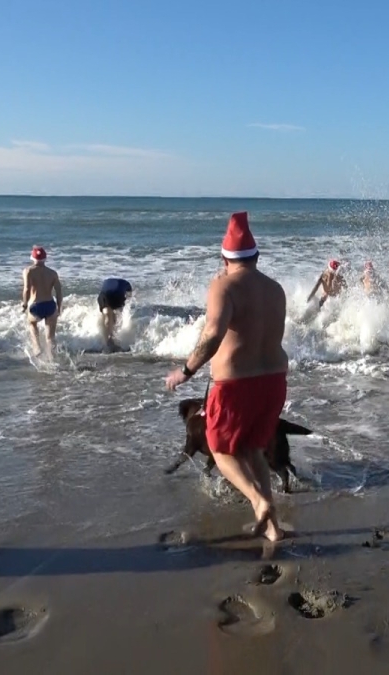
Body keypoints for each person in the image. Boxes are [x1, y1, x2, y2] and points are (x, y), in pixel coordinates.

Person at [165, 212, 289, 542]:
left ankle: (259, 502)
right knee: (253, 449)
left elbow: (213, 334)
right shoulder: (276, 289)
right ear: (256, 256)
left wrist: (186, 371)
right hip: (275, 381)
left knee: (220, 450)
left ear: (224, 257)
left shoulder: (222, 286)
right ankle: (274, 530)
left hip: (236, 385)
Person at [21, 246, 63, 356]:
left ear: (32, 258)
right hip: (50, 305)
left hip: (36, 305)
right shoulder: (53, 273)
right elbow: (59, 292)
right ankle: (52, 359)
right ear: (45, 258)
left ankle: (37, 347)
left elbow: (26, 289)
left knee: (32, 324)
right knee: (50, 338)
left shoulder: (28, 271)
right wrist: (59, 308)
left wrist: (25, 304)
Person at [98, 277, 133, 352]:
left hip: (105, 293)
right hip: (114, 294)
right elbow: (129, 298)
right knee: (116, 315)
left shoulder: (109, 282)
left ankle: (108, 340)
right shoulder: (127, 286)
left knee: (107, 314)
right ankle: (112, 339)